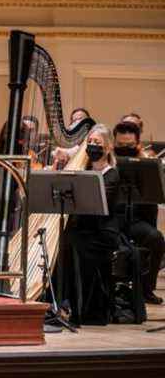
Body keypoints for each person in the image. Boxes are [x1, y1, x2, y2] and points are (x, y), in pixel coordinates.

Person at [60, 124, 123, 325]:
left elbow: (97, 207)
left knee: (73, 243)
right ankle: (63, 301)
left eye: (98, 143)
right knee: (65, 243)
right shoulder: (81, 169)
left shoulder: (111, 174)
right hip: (84, 229)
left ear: (108, 147)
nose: (93, 146)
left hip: (103, 232)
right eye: (90, 142)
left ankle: (81, 307)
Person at [113, 121, 164, 304]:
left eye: (129, 146)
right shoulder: (107, 161)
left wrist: (142, 158)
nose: (124, 149)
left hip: (135, 221)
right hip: (111, 219)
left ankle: (146, 289)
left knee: (156, 238)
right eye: (120, 146)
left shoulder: (146, 163)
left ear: (138, 144)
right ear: (113, 143)